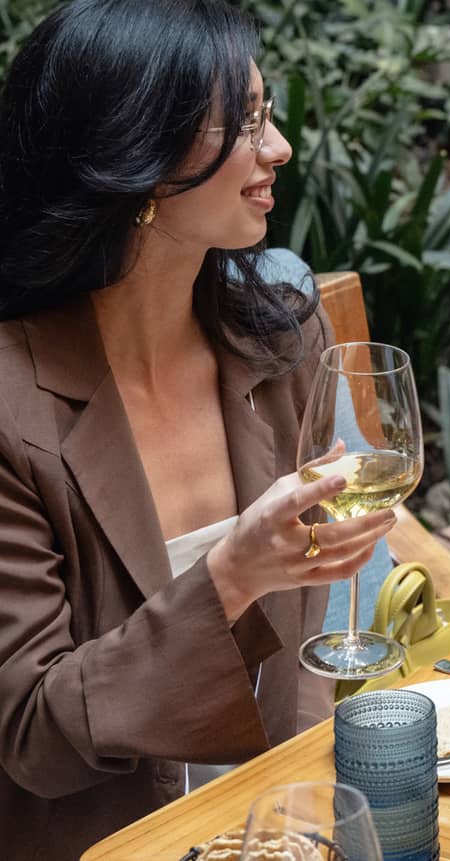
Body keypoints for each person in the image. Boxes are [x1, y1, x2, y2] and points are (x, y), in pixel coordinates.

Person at [0, 1, 396, 858]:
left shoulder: (280, 340)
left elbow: (301, 666)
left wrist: (305, 828)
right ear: (138, 155)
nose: (280, 147)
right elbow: (31, 728)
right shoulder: (10, 408)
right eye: (248, 122)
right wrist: (228, 576)